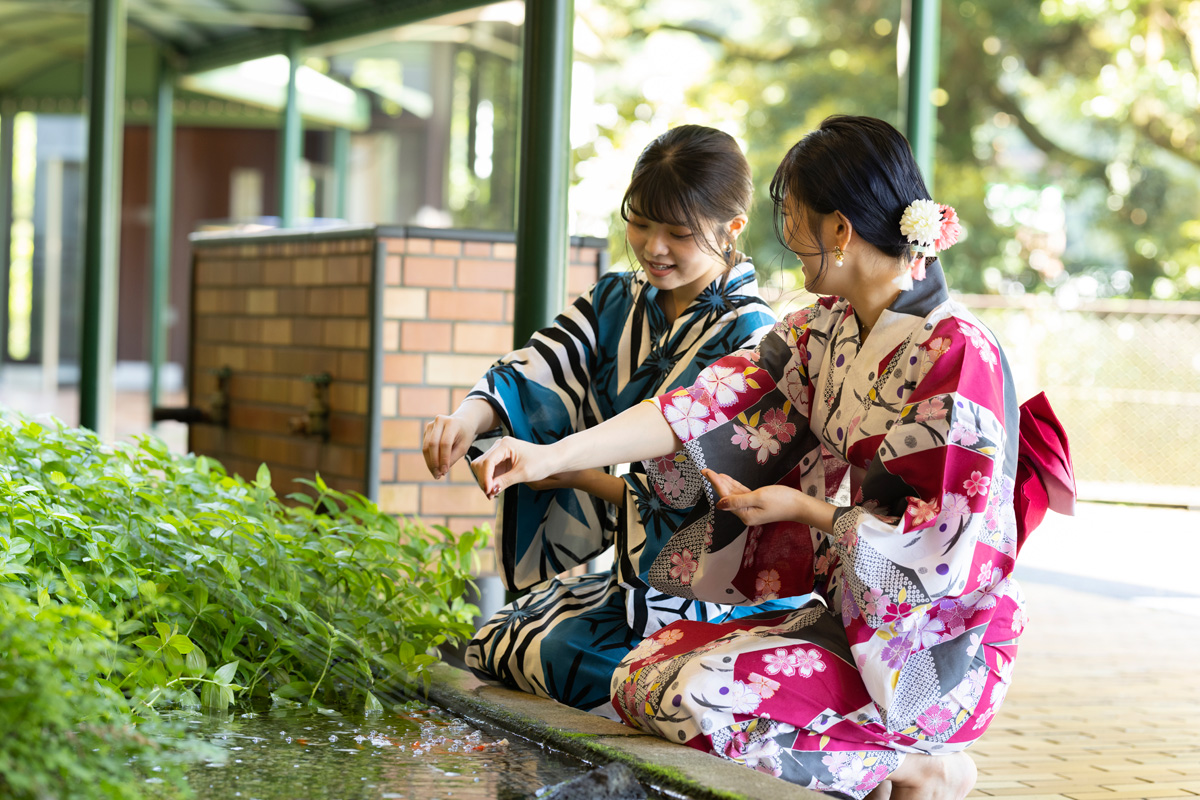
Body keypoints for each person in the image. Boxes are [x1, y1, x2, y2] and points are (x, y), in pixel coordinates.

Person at [470, 116, 1074, 799]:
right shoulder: (826, 330)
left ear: (839, 231)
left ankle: (917, 764)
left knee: (697, 700)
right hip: (851, 616)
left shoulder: (960, 354)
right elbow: (692, 409)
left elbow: (938, 549)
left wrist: (803, 509)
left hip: (934, 651)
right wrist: (548, 455)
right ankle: (871, 765)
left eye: (792, 221)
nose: (788, 246)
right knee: (641, 681)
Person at [422, 125, 805, 717]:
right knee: (496, 644)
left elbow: (698, 502)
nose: (653, 247)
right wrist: (469, 417)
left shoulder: (751, 334)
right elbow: (541, 366)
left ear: (732, 230)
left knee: (562, 661)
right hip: (630, 585)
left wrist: (564, 471)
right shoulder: (615, 299)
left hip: (706, 588)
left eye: (678, 233)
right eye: (641, 223)